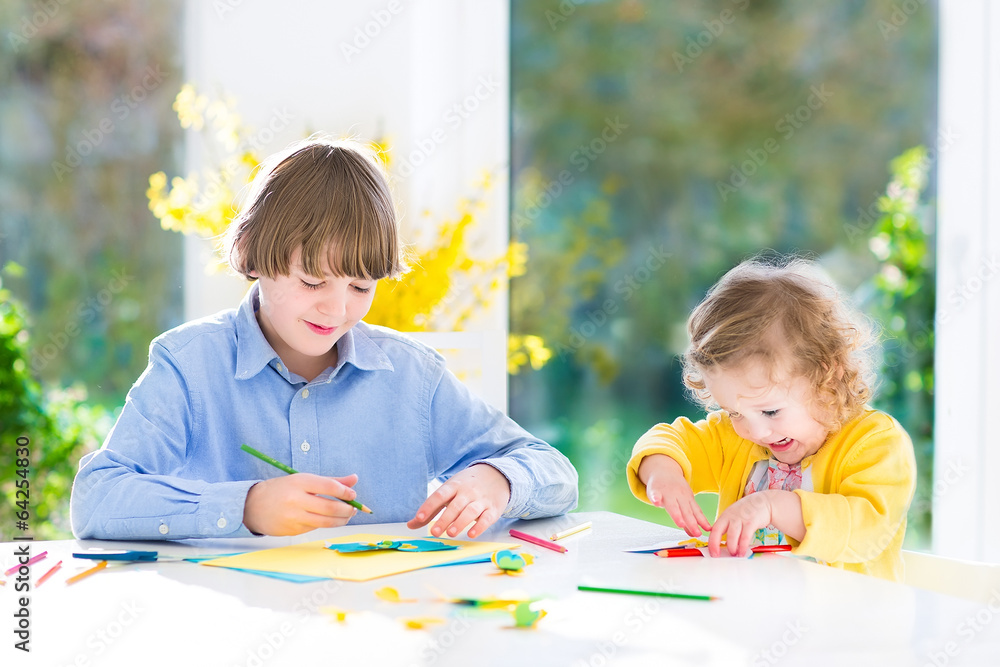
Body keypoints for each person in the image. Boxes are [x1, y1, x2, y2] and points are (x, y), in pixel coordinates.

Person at [71, 137, 578, 541]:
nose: (337, 309)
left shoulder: (413, 376)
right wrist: (245, 506)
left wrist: (499, 480)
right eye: (312, 282)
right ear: (251, 253)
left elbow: (554, 471)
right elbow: (97, 498)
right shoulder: (189, 365)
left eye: (361, 286)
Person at [626, 256, 916, 580]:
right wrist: (663, 472)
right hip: (753, 613)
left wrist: (772, 506)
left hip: (848, 622)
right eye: (734, 412)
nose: (755, 430)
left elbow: (866, 530)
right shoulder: (735, 437)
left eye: (770, 411)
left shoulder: (876, 443)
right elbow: (670, 440)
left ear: (826, 374)